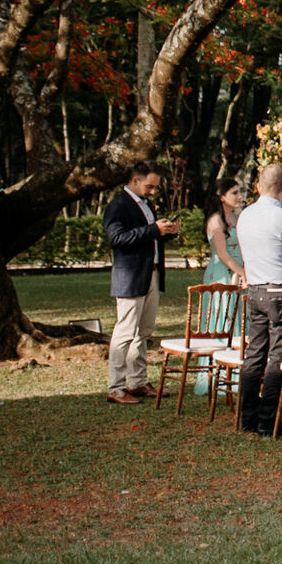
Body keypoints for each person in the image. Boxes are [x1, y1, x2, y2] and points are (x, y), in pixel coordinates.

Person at [102, 160, 180, 405]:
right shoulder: (118, 205)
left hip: (152, 272)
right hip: (130, 275)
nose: (152, 191)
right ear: (135, 180)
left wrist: (166, 231)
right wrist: (153, 229)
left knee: (144, 332)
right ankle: (115, 387)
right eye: (149, 186)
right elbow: (117, 238)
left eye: (155, 187)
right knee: (125, 331)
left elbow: (149, 237)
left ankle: (138, 381)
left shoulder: (147, 204)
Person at [236, 164, 282, 434]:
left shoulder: (245, 215)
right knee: (279, 356)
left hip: (256, 290)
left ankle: (248, 418)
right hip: (280, 291)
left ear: (259, 187)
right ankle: (268, 421)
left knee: (255, 354)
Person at [202, 178, 246, 289]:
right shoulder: (216, 221)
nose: (240, 196)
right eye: (234, 193)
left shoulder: (236, 217)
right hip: (222, 273)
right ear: (221, 197)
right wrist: (242, 272)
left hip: (238, 273)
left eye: (239, 192)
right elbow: (222, 254)